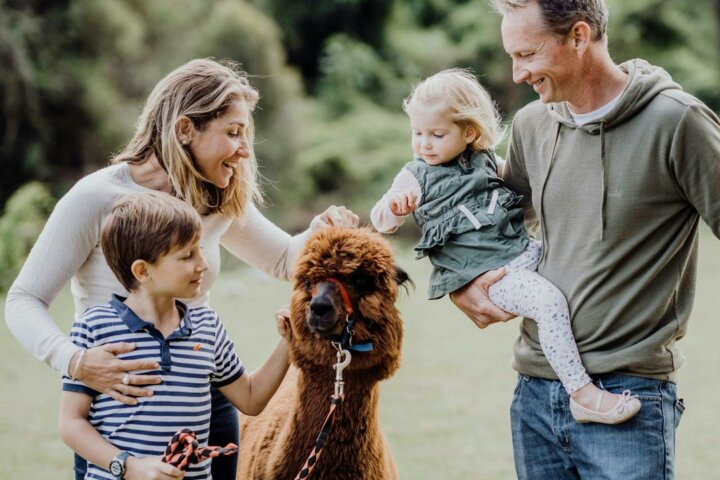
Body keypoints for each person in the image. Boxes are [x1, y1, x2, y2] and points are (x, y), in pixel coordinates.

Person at [4, 58, 359, 479]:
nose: (245, 149)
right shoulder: (97, 198)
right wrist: (76, 361)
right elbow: (23, 300)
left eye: (245, 134)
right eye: (233, 132)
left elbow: (283, 259)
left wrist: (322, 231)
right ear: (185, 129)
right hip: (118, 408)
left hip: (204, 397)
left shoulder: (217, 199)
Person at [449, 1, 720, 478]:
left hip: (629, 398)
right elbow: (493, 230)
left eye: (527, 54)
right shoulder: (532, 125)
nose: (516, 74)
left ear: (578, 36)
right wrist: (461, 283)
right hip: (534, 394)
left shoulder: (678, 122)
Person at [370, 68, 640, 424]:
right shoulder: (415, 176)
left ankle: (615, 344)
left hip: (523, 250)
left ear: (469, 132)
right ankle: (581, 393)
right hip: (491, 275)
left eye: (436, 134)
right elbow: (380, 220)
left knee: (582, 263)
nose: (424, 144)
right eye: (417, 133)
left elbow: (525, 189)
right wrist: (393, 208)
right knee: (548, 303)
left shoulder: (487, 162)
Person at [59, 191, 291, 480]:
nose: (203, 265)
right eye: (187, 255)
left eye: (200, 250)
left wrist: (289, 340)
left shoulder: (207, 326)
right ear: (143, 271)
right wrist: (129, 467)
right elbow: (71, 423)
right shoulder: (94, 327)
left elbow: (251, 399)